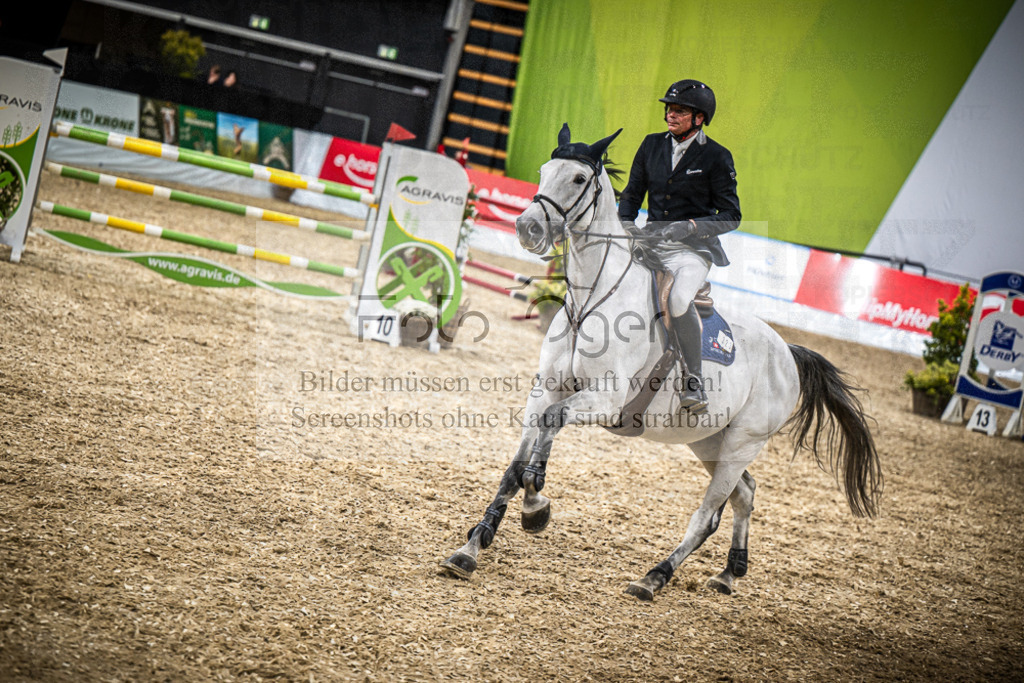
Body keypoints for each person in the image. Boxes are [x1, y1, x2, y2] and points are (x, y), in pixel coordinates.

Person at [617, 79, 741, 413]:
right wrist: (627, 223)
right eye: (669, 109)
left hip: (691, 250)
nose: (671, 115)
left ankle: (694, 381)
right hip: (651, 241)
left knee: (678, 299)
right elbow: (632, 193)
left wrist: (691, 227)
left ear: (699, 118)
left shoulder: (717, 156)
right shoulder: (651, 145)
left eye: (680, 111)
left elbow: (732, 215)